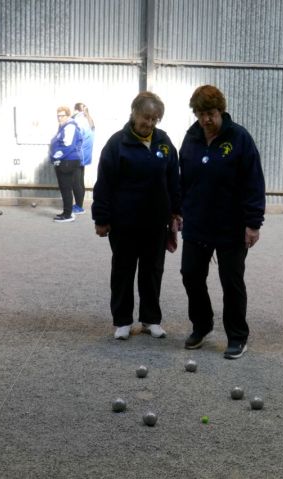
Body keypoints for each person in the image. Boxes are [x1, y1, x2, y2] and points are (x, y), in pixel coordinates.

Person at [178, 85, 265, 359]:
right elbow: (183, 180)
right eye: (201, 114)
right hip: (197, 223)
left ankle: (237, 336)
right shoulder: (191, 139)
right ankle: (202, 325)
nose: (206, 119)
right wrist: (178, 211)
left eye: (211, 114)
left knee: (231, 281)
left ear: (221, 111)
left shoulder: (239, 138)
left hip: (231, 226)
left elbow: (254, 182)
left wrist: (253, 223)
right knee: (191, 275)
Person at [92, 92, 181, 340]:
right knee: (123, 270)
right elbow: (104, 183)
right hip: (124, 222)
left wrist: (176, 210)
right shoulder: (116, 144)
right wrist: (101, 218)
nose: (149, 123)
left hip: (156, 222)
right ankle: (122, 321)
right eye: (146, 117)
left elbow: (174, 179)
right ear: (134, 113)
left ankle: (151, 319)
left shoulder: (164, 142)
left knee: (152, 271)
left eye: (155, 119)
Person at [49, 106, 84, 222]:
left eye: (62, 115)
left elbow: (67, 146)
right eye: (58, 116)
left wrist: (55, 157)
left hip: (67, 161)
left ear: (68, 115)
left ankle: (67, 215)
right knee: (66, 188)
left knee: (66, 188)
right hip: (66, 160)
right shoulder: (63, 126)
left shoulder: (70, 126)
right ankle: (67, 212)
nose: (59, 118)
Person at [71, 103, 96, 215]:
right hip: (85, 155)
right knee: (80, 180)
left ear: (76, 110)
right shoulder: (88, 120)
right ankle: (79, 205)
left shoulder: (78, 120)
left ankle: (78, 207)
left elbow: (74, 138)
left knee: (76, 181)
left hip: (77, 154)